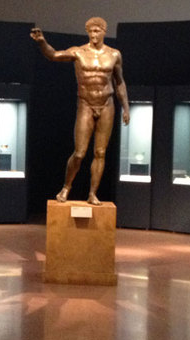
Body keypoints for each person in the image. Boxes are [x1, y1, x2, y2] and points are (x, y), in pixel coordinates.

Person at [30, 17, 129, 205]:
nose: (93, 34)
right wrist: (42, 42)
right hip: (86, 103)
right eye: (90, 31)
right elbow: (54, 55)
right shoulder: (78, 52)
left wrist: (126, 107)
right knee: (80, 153)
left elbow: (120, 82)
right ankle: (66, 187)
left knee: (100, 152)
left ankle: (92, 193)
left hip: (107, 104)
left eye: (97, 31)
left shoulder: (114, 55)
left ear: (104, 31)